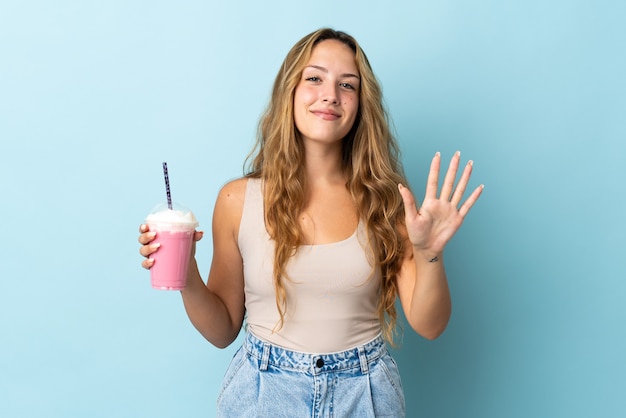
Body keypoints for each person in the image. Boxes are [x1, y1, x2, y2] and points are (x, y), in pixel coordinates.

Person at [138, 28, 483, 417]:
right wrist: (186, 276)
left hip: (364, 393)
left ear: (360, 104)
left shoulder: (387, 200)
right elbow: (222, 330)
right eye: (314, 78)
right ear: (290, 90)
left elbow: (430, 324)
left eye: (347, 85)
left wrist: (429, 255)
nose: (330, 94)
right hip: (264, 393)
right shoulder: (237, 201)